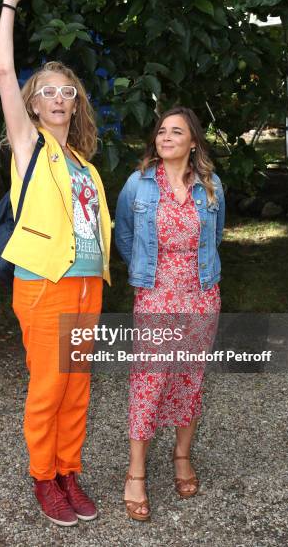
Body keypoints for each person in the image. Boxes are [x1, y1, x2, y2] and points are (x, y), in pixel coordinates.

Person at [0, 0, 111, 527]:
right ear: (34, 105)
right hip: (44, 284)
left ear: (76, 104)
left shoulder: (84, 163)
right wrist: (11, 3)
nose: (59, 98)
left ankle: (69, 470)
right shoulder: (29, 147)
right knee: (48, 387)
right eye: (48, 92)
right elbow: (1, 69)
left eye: (68, 92)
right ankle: (44, 478)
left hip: (88, 285)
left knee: (78, 387)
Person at [115, 106, 225, 521]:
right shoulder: (138, 184)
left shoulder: (211, 186)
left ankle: (182, 457)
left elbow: (216, 237)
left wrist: (199, 278)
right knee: (149, 380)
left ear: (192, 142)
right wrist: (146, 270)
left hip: (200, 296)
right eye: (161, 131)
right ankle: (136, 474)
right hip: (157, 295)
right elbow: (124, 233)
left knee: (189, 378)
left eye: (176, 131)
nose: (165, 137)